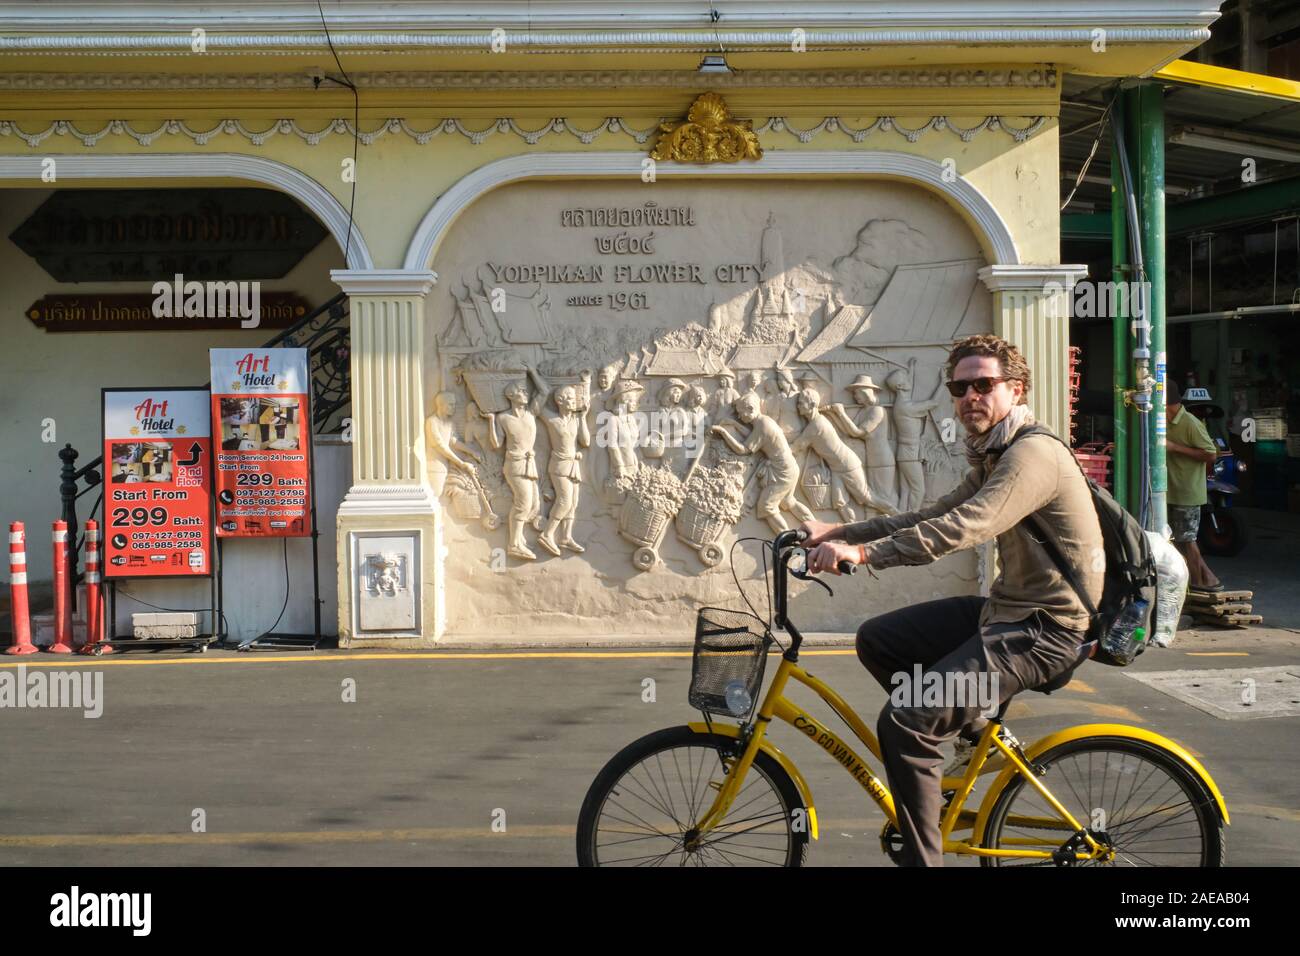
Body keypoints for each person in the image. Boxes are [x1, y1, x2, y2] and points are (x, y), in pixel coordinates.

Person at [802, 334, 1103, 867]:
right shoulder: (996, 453)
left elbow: (964, 527)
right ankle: (970, 737)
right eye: (960, 387)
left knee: (906, 721)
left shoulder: (1031, 454)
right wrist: (839, 530)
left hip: (1044, 631)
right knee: (880, 640)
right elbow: (928, 515)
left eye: (983, 385)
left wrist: (864, 554)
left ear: (1016, 389)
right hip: (1006, 614)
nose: (970, 397)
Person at [1165, 379, 1222, 592]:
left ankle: (1198, 585)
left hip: (1187, 491)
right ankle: (1207, 579)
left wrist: (1174, 447)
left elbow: (1211, 454)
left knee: (1187, 540)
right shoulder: (1164, 421)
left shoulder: (1190, 423)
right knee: (1178, 541)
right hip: (1170, 490)